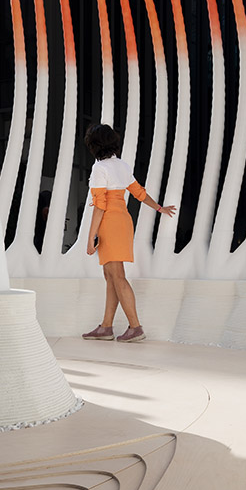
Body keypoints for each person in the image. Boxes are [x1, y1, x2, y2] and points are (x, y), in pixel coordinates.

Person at [81, 123, 175, 342]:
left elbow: (100, 206)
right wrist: (159, 208)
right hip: (123, 221)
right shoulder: (121, 165)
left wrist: (90, 237)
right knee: (111, 275)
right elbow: (138, 193)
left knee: (117, 275)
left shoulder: (99, 169)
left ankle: (135, 327)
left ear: (94, 146)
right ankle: (106, 327)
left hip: (109, 222)